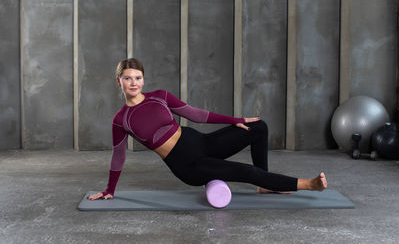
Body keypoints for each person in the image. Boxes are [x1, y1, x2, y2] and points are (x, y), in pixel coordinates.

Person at [88, 58, 327, 200]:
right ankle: (308, 184)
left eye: (138, 78)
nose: (133, 83)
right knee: (244, 171)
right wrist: (110, 189)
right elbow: (118, 156)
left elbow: (195, 114)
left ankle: (266, 184)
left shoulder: (159, 97)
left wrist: (234, 119)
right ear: (118, 81)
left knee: (258, 127)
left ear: (144, 80)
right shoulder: (121, 120)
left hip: (202, 143)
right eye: (128, 78)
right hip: (188, 165)